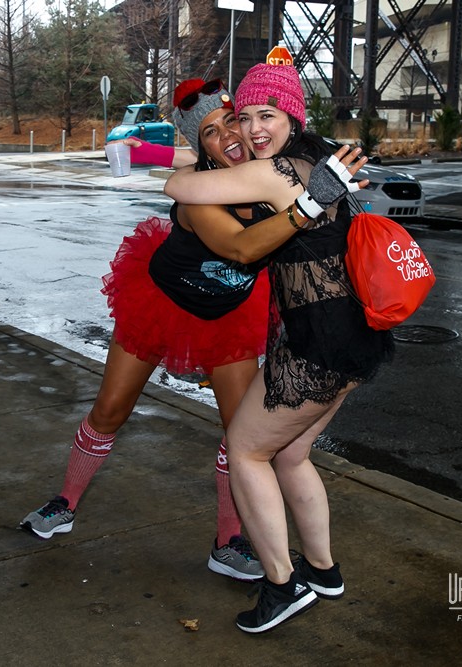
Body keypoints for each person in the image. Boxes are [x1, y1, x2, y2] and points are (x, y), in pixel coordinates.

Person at [20, 78, 370, 582]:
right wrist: (307, 205)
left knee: (242, 434)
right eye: (210, 132)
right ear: (200, 146)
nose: (228, 135)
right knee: (110, 410)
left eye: (232, 121)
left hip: (229, 312)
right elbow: (242, 248)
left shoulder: (269, 173)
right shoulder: (199, 196)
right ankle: (65, 501)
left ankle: (228, 540)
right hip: (161, 303)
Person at [164, 62, 391, 633]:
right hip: (354, 336)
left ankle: (281, 584)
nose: (253, 129)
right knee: (289, 455)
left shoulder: (275, 171)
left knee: (245, 452)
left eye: (267, 115)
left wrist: (188, 149)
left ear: (293, 115)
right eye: (244, 117)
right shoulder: (318, 159)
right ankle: (324, 570)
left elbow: (178, 188)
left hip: (316, 342)